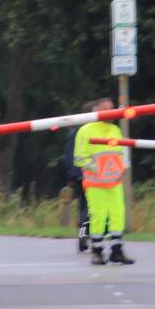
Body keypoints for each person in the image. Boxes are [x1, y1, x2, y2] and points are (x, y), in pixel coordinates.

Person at [73, 98, 134, 265]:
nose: (112, 111)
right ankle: (97, 251)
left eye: (112, 108)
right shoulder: (86, 130)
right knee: (98, 216)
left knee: (118, 214)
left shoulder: (115, 129)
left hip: (114, 181)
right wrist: (98, 169)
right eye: (107, 108)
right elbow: (79, 158)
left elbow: (122, 152)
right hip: (95, 183)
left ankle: (117, 250)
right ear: (97, 111)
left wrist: (121, 168)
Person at [63, 101, 95, 252]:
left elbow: (68, 155)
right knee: (87, 208)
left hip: (81, 173)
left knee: (85, 207)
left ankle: (84, 238)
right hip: (85, 174)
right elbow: (71, 154)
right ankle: (84, 238)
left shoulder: (77, 130)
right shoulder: (82, 131)